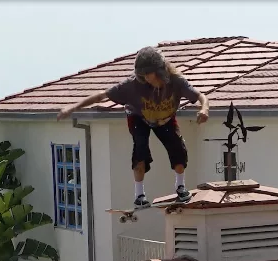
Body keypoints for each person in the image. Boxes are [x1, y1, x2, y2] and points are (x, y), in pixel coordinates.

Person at [57, 46, 209, 208]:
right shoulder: (132, 85)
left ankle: (180, 187)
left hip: (165, 119)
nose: (146, 79)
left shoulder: (176, 81)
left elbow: (201, 96)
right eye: (142, 75)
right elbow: (102, 96)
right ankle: (139, 195)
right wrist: (73, 108)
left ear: (160, 71)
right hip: (138, 118)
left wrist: (204, 109)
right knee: (140, 149)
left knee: (178, 149)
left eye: (148, 75)